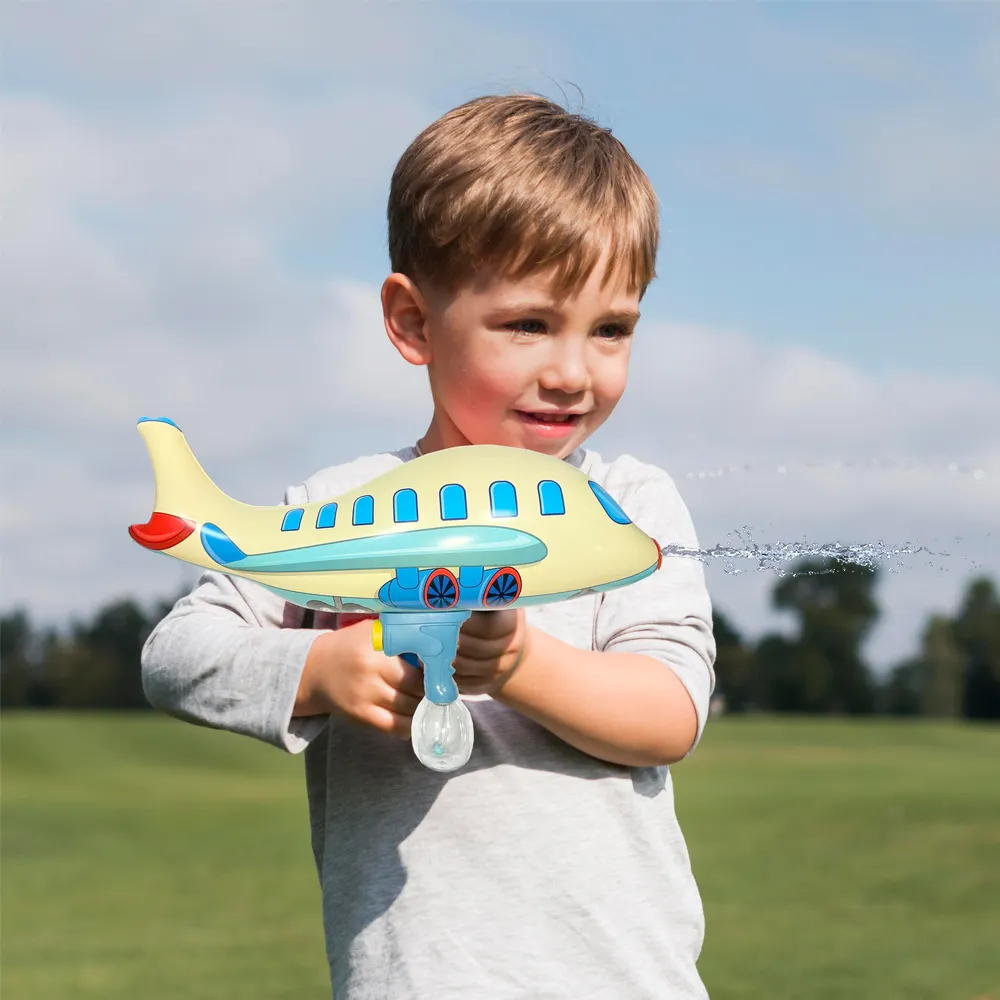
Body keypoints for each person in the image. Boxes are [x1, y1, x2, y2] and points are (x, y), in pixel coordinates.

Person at [142, 92, 717, 999]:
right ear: (413, 323)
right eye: (528, 324)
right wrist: (320, 669)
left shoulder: (631, 505)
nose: (573, 372)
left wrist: (519, 661)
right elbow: (176, 656)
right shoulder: (341, 506)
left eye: (611, 329)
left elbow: (670, 710)